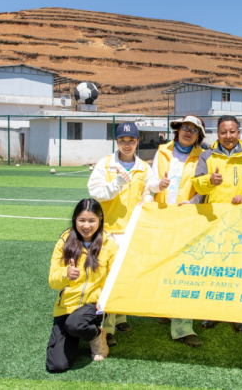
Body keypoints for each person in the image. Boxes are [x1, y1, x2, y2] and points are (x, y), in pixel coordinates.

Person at [191, 114, 242, 333]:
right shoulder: (207, 156)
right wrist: (209, 181)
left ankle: (237, 314)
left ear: (238, 133)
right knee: (214, 267)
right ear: (218, 134)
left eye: (232, 132)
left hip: (241, 221)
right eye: (223, 132)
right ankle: (212, 313)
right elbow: (197, 185)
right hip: (214, 221)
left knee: (239, 267)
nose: (228, 136)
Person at [88, 122, 154, 346]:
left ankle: (121, 317)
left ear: (137, 141)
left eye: (131, 141)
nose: (127, 145)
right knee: (108, 279)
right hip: (108, 231)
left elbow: (148, 192)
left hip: (132, 231)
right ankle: (107, 328)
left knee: (126, 276)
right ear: (116, 142)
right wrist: (117, 183)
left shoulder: (144, 167)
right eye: (122, 141)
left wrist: (147, 199)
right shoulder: (105, 164)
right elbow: (95, 192)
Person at [149, 114, 207, 347]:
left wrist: (192, 202)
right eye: (185, 127)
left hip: (187, 220)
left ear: (199, 136)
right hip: (162, 218)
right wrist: (158, 186)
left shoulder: (203, 156)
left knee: (185, 271)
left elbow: (204, 188)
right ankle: (165, 309)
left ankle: (183, 328)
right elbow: (151, 182)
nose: (188, 132)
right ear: (178, 129)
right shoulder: (162, 151)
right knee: (163, 266)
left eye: (194, 130)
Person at [46, 198, 117, 372]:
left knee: (75, 324)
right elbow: (53, 281)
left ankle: (96, 335)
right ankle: (77, 333)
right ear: (75, 219)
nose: (86, 225)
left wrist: (104, 301)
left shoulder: (108, 244)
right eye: (82, 220)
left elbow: (114, 278)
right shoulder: (64, 242)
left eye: (91, 220)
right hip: (66, 307)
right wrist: (66, 274)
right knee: (57, 365)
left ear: (100, 220)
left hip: (93, 305)